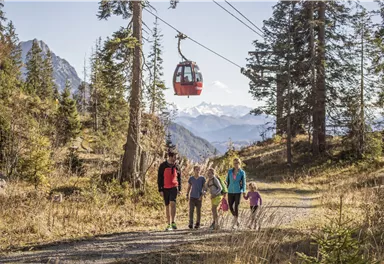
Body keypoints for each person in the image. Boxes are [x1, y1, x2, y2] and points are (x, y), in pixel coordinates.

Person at [158, 151, 181, 231]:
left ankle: (173, 222)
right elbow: (159, 178)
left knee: (173, 203)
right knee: (167, 205)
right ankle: (168, 224)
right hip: (165, 188)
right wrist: (160, 189)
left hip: (174, 187)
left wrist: (179, 189)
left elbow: (179, 178)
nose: (176, 159)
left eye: (176, 157)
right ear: (170, 157)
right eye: (175, 157)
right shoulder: (163, 166)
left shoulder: (177, 166)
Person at [226, 158, 246, 229]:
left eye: (237, 163)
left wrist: (244, 191)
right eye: (234, 163)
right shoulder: (230, 171)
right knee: (230, 207)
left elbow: (243, 183)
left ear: (239, 163)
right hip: (230, 191)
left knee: (236, 206)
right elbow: (227, 181)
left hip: (238, 191)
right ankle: (236, 218)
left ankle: (235, 222)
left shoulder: (242, 172)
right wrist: (225, 190)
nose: (236, 164)